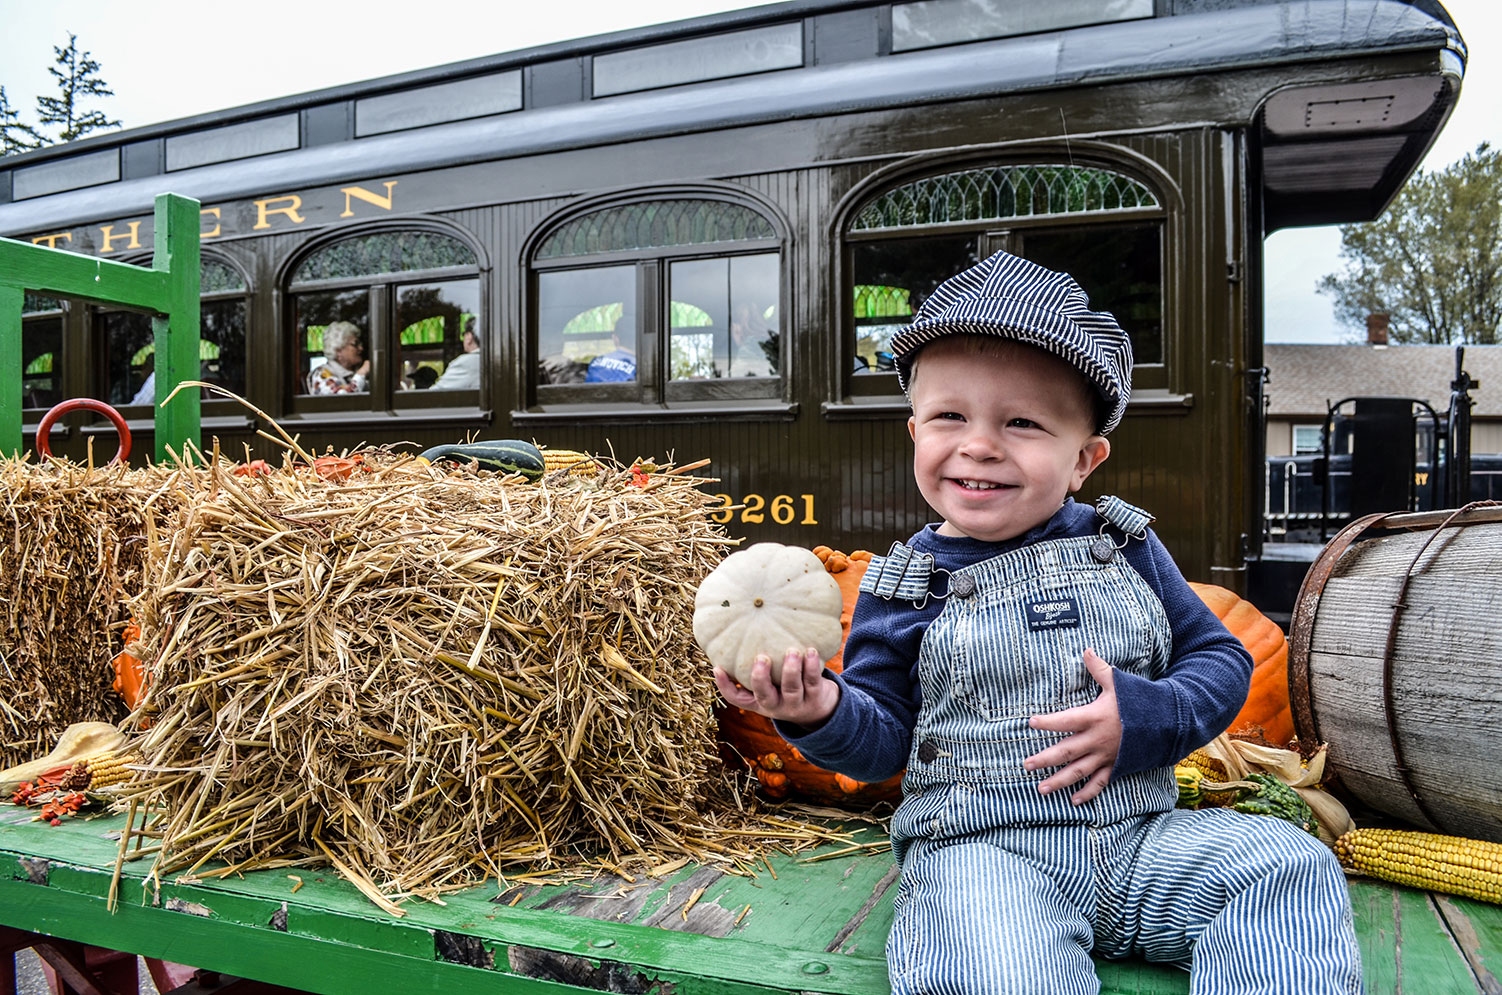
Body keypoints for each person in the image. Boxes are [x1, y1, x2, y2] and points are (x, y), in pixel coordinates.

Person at [714, 251, 1360, 994]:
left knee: (1286, 864)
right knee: (1001, 964)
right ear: (914, 432)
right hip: (987, 854)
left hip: (1143, 841)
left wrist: (1146, 714)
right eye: (949, 415)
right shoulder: (906, 584)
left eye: (1021, 422)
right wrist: (817, 707)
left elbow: (1221, 659)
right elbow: (882, 738)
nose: (979, 443)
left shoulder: (1125, 546)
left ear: (1084, 458)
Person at [306, 321, 369, 395]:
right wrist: (362, 373)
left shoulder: (353, 372)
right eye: (355, 344)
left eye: (360, 344)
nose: (361, 348)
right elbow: (342, 401)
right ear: (338, 350)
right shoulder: (321, 374)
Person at [430, 317, 481, 390]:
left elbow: (434, 395)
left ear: (469, 337)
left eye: (463, 335)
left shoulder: (467, 363)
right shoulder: (488, 360)